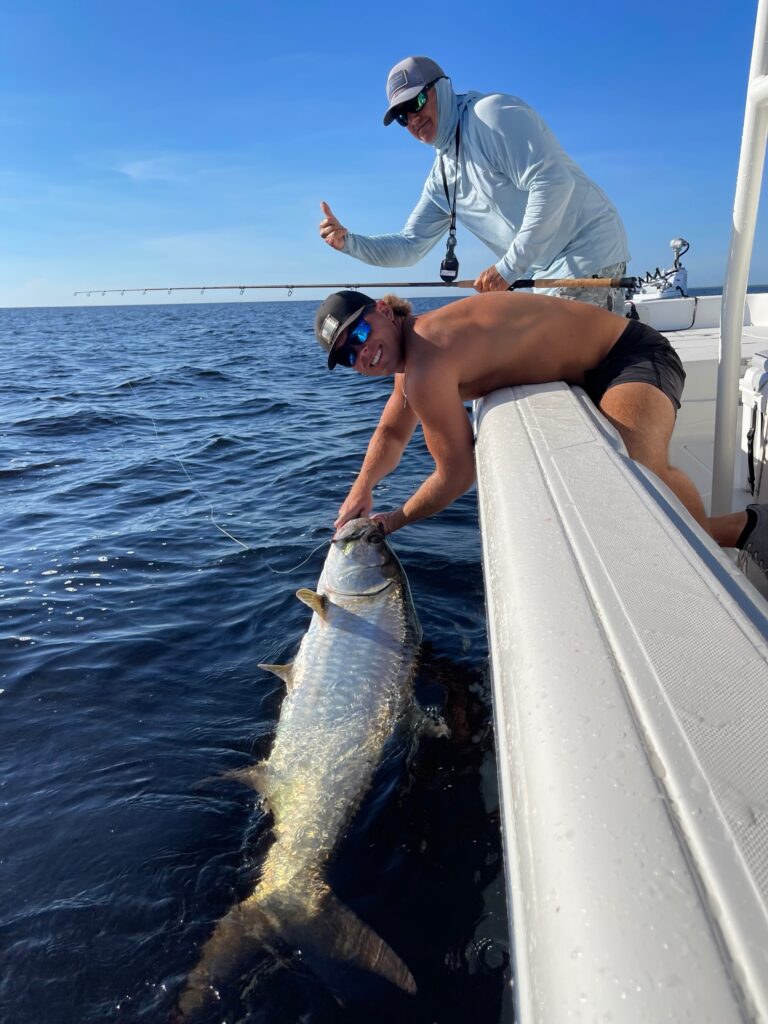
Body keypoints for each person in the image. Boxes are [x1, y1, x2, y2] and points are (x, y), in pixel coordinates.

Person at [312, 288, 768, 573]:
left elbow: (456, 475)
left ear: (382, 311)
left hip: (630, 355)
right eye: (347, 356)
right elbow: (392, 433)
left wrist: (394, 520)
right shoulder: (411, 358)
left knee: (638, 470)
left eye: (359, 334)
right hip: (585, 371)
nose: (362, 353)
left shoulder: (425, 362)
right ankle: (705, 542)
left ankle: (735, 531)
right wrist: (362, 487)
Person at [319, 56, 629, 311]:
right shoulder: (441, 177)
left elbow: (554, 183)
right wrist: (349, 242)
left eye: (417, 102)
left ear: (440, 89)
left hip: (588, 255)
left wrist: (507, 269)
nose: (412, 119)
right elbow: (409, 247)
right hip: (545, 278)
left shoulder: (490, 116)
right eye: (402, 116)